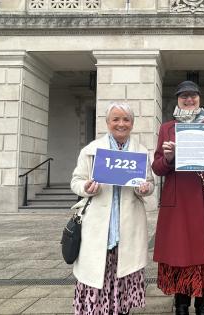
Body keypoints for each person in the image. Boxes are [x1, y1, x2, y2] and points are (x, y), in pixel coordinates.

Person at [152, 81, 204, 315]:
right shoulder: (167, 128)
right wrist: (168, 157)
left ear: (199, 98)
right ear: (177, 100)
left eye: (193, 96)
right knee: (179, 252)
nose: (189, 100)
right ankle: (181, 306)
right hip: (178, 201)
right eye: (184, 96)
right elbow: (157, 168)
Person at [70, 102, 154, 315]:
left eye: (126, 119)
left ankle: (121, 310)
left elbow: (149, 183)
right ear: (107, 123)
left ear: (132, 123)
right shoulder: (90, 151)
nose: (121, 124)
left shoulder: (140, 152)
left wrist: (144, 188)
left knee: (124, 274)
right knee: (96, 275)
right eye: (115, 119)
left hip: (128, 226)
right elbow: (76, 181)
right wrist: (86, 187)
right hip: (98, 226)